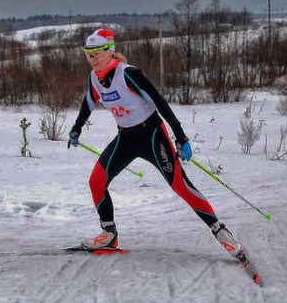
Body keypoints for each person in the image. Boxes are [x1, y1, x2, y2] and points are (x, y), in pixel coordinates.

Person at [68, 28, 251, 263]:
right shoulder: (94, 78)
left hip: (152, 135)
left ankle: (221, 232)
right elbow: (89, 101)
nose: (91, 59)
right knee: (96, 181)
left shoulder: (129, 74)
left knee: (181, 186)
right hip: (126, 138)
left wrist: (181, 137)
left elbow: (160, 102)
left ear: (110, 52)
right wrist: (77, 128)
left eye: (95, 54)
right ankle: (108, 234)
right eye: (87, 54)